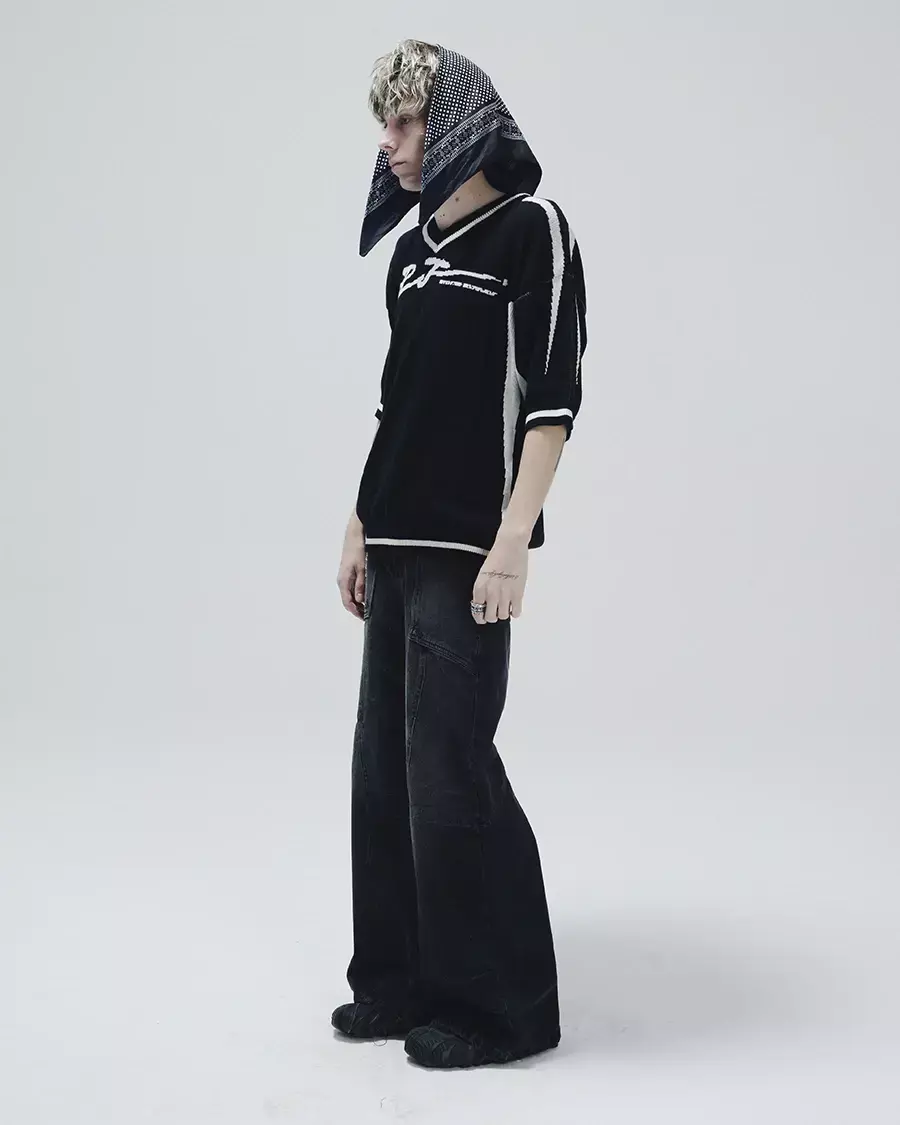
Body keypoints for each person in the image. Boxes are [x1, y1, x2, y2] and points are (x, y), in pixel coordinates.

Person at [332, 39, 587, 1069]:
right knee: (383, 774)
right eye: (385, 126)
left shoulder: (531, 231)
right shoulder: (411, 256)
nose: (389, 144)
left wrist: (514, 539)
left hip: (467, 548)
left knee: (451, 770)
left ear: (460, 124)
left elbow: (553, 398)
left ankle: (501, 1008)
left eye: (406, 122)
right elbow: (397, 403)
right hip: (395, 539)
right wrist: (359, 522)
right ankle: (398, 982)